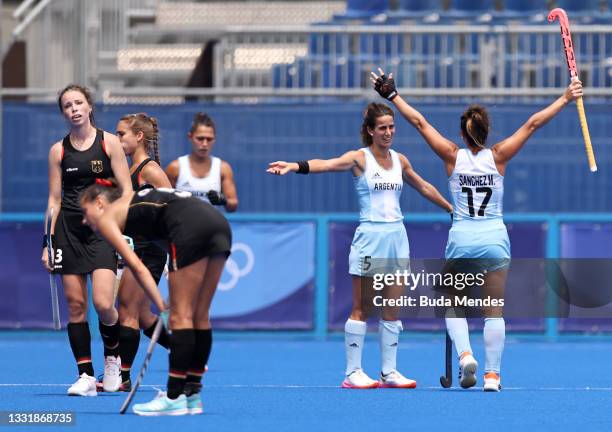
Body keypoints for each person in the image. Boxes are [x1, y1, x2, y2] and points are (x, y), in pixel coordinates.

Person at [371, 68, 584, 392]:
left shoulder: (451, 157)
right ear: (485, 133)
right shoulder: (499, 157)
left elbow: (419, 123)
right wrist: (566, 98)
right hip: (494, 238)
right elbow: (533, 123)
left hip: (462, 238)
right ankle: (492, 376)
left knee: (454, 304)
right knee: (493, 311)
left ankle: (466, 355)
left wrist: (393, 96)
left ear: (463, 133)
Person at [267, 103, 453, 389]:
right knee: (363, 307)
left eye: (391, 127)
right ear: (370, 130)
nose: (388, 132)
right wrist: (294, 166)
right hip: (371, 237)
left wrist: (450, 208)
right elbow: (326, 164)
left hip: (397, 238)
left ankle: (389, 372)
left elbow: (423, 185)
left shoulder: (400, 160)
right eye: (382, 128)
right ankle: (353, 372)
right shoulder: (359, 159)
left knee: (392, 308)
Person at [79, 180, 232, 416]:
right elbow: (161, 244)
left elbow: (138, 269)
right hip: (218, 224)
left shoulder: (108, 219)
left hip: (189, 226)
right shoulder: (140, 209)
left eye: (85, 212)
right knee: (200, 315)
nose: (84, 221)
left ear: (99, 203)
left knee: (181, 316)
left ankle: (174, 397)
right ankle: (192, 396)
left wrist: (161, 305)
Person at [41, 84, 132, 396]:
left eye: (78, 103)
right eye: (67, 105)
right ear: (63, 112)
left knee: (104, 303)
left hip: (103, 232)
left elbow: (128, 191)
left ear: (90, 106)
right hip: (68, 231)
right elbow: (54, 199)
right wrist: (47, 243)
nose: (74, 109)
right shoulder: (58, 151)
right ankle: (84, 375)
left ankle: (112, 359)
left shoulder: (110, 144)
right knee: (76, 305)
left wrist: (114, 223)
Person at [114, 113, 173, 391]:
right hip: (132, 248)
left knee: (127, 311)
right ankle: (184, 350)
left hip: (149, 250)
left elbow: (173, 208)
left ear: (138, 137)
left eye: (121, 134)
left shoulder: (150, 170)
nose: (117, 139)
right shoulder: (127, 168)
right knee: (144, 316)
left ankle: (122, 378)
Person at [165, 112, 238, 212]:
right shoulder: (175, 168)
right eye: (200, 138)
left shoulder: (223, 168)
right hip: (182, 226)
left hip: (212, 226)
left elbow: (233, 205)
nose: (204, 144)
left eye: (209, 139)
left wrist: (223, 200)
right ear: (190, 137)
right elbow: (163, 203)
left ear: (215, 139)